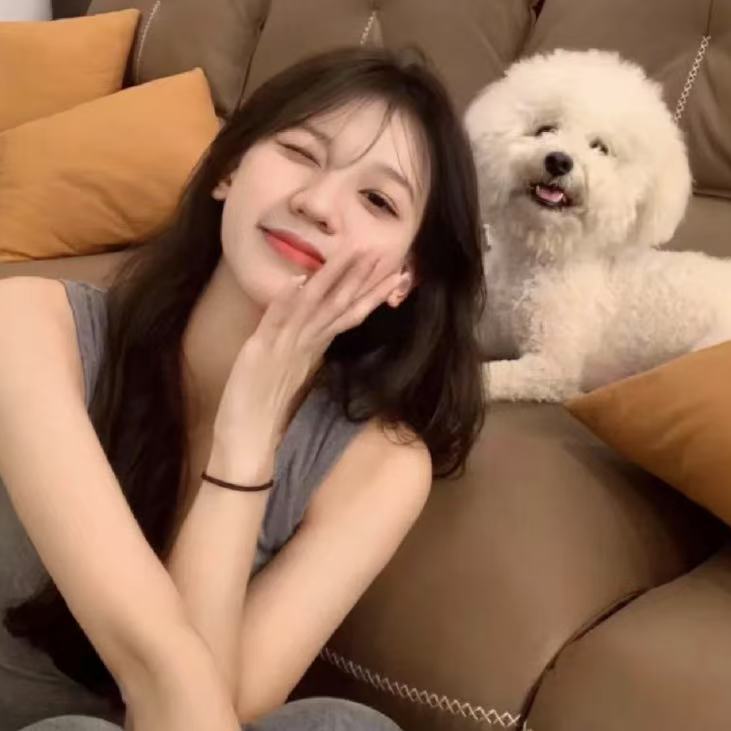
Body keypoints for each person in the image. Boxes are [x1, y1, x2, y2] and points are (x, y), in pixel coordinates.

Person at [0, 46, 487, 731]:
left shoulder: (380, 467)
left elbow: (227, 704)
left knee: (344, 726)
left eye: (377, 199)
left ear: (404, 277)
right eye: (300, 152)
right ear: (229, 170)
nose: (317, 203)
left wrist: (246, 438)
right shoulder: (29, 325)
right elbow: (155, 666)